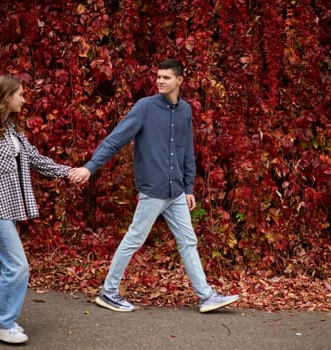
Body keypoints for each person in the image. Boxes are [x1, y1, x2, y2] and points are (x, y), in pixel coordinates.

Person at [69, 58, 239, 313]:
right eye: (158, 76)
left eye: (166, 77)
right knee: (134, 238)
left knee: (188, 241)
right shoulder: (145, 108)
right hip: (153, 190)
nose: (160, 81)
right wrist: (90, 167)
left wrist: (189, 187)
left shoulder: (185, 111)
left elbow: (186, 151)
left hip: (176, 192)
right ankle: (109, 291)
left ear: (179, 81)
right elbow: (116, 139)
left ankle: (206, 296)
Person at [0, 75, 72, 344]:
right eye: (20, 95)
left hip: (7, 207)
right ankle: (2, 322)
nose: (24, 100)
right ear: (6, 96)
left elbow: (36, 160)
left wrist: (68, 172)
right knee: (17, 266)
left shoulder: (11, 129)